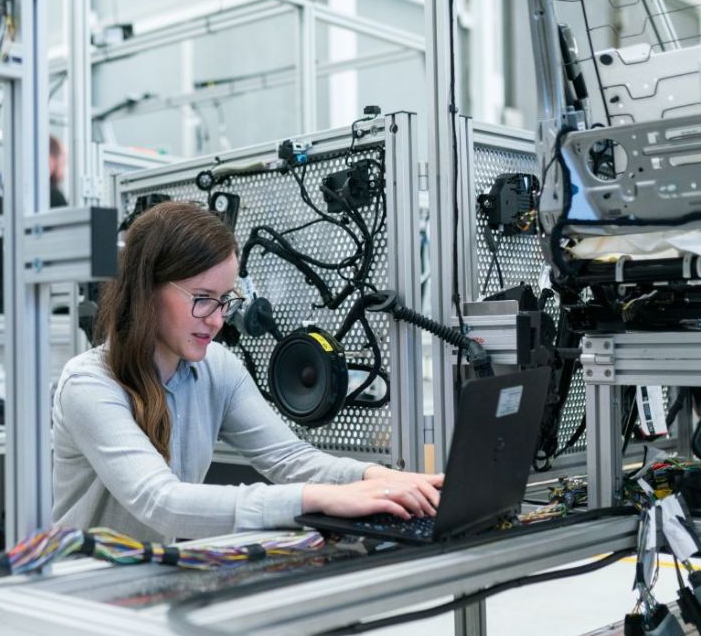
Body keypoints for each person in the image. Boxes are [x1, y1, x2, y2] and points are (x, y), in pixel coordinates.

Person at [51, 201, 444, 542]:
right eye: (202, 299)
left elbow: (290, 459)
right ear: (146, 290)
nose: (218, 320)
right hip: (85, 591)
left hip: (152, 577)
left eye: (224, 300)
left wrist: (378, 478)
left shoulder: (216, 368)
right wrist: (316, 498)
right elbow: (161, 502)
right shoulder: (90, 384)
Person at [0, 136, 68, 314]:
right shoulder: (51, 196)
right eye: (63, 161)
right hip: (27, 304)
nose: (63, 169)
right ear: (49, 160)